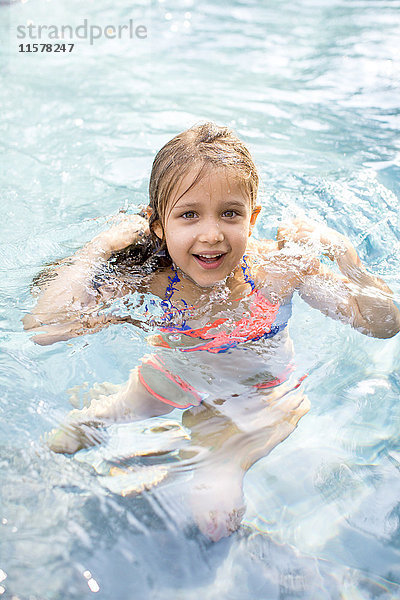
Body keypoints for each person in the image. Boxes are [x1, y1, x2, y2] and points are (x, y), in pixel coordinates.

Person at [23, 122, 400, 541]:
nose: (211, 234)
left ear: (252, 218)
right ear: (158, 226)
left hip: (260, 394)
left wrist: (344, 257)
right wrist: (99, 248)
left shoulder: (280, 270)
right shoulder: (150, 278)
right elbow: (45, 329)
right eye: (188, 214)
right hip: (170, 377)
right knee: (70, 435)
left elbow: (382, 326)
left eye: (230, 213)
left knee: (216, 519)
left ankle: (224, 461)